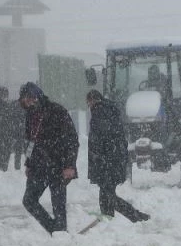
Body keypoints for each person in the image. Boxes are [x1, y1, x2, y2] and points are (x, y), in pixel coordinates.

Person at [19, 82, 79, 234]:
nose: (28, 103)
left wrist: (70, 165)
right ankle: (55, 230)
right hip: (38, 166)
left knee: (58, 207)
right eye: (25, 100)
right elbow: (30, 141)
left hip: (58, 165)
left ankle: (60, 233)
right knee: (29, 200)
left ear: (37, 96)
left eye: (30, 99)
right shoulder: (30, 115)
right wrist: (28, 163)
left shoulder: (57, 111)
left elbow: (72, 140)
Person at [87, 89, 150, 223]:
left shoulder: (100, 113)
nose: (89, 106)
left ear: (92, 101)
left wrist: (99, 158)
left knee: (107, 195)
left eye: (89, 103)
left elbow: (101, 140)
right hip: (114, 160)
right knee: (107, 195)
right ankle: (110, 219)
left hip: (108, 162)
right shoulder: (110, 111)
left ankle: (135, 216)